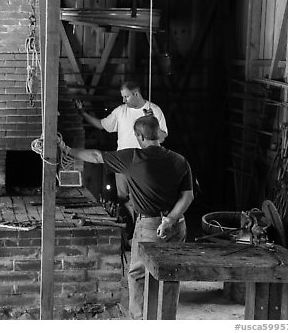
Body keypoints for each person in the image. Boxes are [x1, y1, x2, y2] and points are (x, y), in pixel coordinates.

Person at [64, 115, 193, 319]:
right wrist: (170, 220)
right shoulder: (180, 160)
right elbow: (188, 196)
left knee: (138, 274)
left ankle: (140, 320)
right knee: (171, 273)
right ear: (158, 134)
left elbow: (97, 156)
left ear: (139, 137)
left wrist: (68, 150)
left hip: (150, 226)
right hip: (177, 225)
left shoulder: (132, 158)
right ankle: (167, 320)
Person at [75, 80, 168, 222]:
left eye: (126, 97)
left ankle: (143, 227)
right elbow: (101, 125)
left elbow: (161, 138)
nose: (123, 100)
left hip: (145, 164)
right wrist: (82, 113)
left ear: (136, 94)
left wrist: (152, 121)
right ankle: (129, 233)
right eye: (122, 97)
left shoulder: (154, 110)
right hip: (122, 164)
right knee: (123, 200)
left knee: (144, 199)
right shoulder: (120, 111)